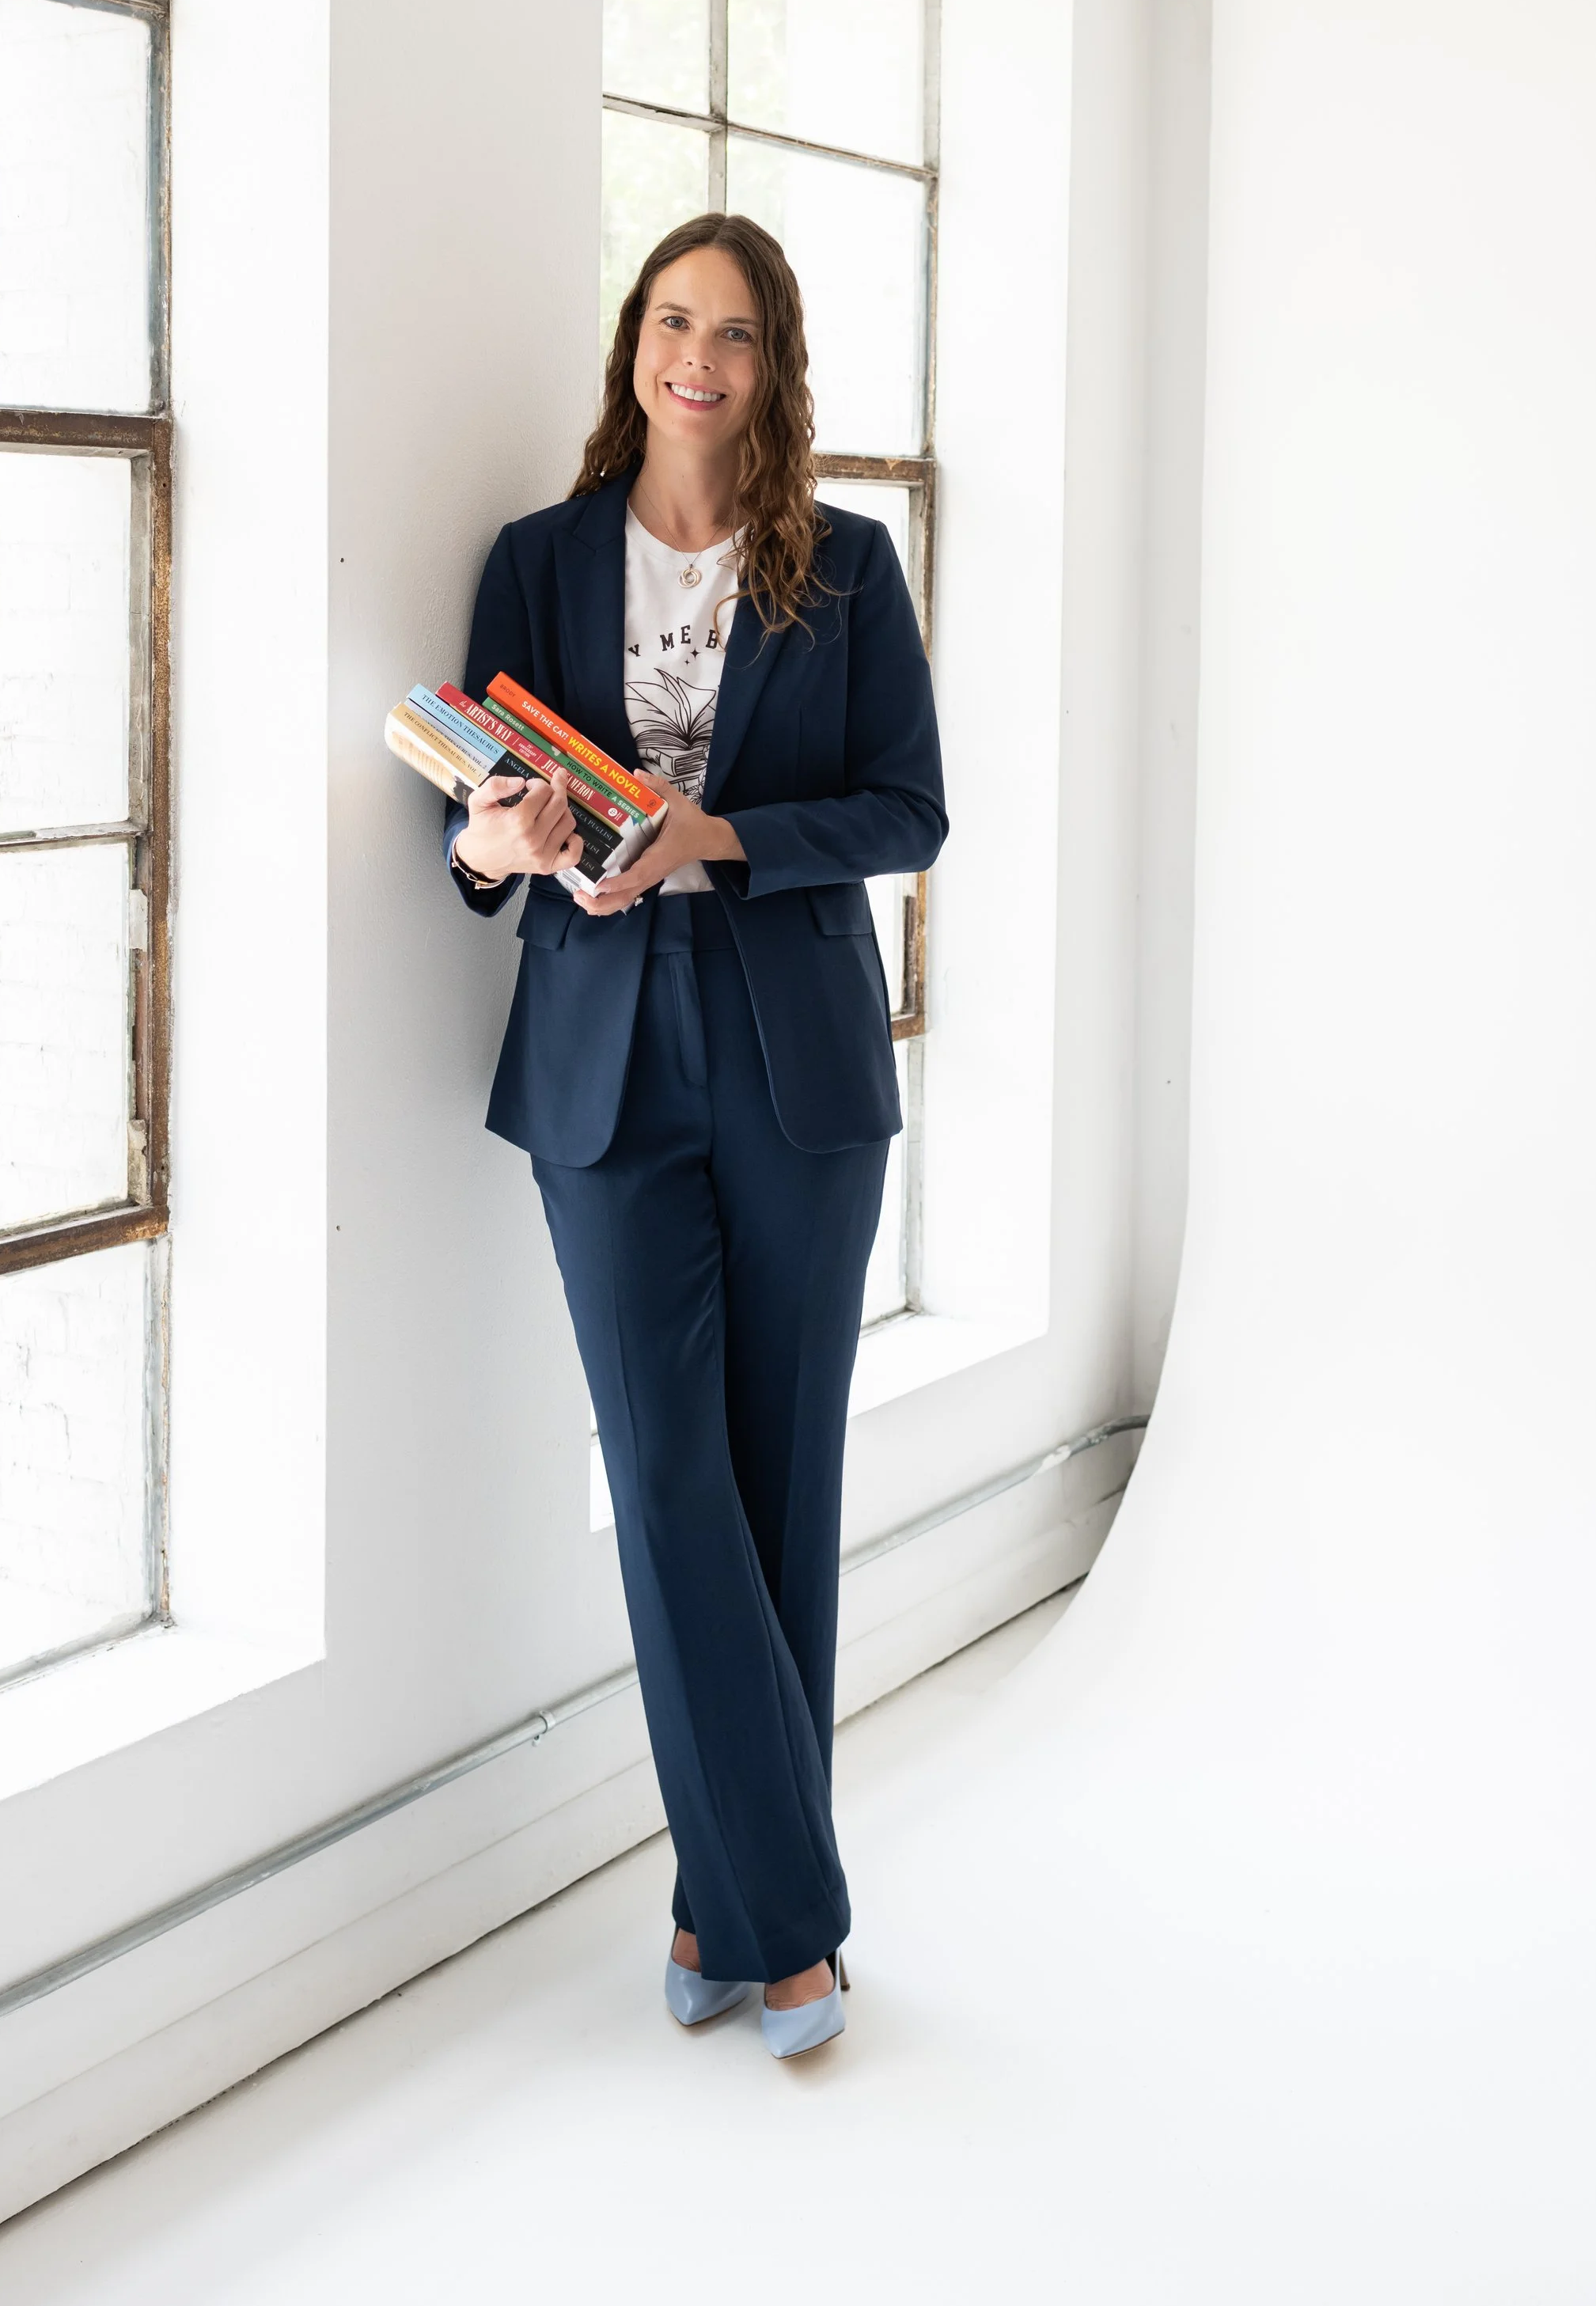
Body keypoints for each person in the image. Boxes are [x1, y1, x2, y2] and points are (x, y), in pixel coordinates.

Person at [443, 213, 946, 2060]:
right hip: (599, 1063)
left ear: (771, 364)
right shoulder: (537, 558)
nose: (697, 361)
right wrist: (487, 842)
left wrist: (718, 832)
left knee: (772, 1487)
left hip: (791, 1060)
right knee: (664, 1473)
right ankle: (789, 1917)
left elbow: (909, 808)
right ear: (632, 344)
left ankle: (712, 1897)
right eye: (672, 321)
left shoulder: (849, 570)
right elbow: (479, 804)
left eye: (734, 334)